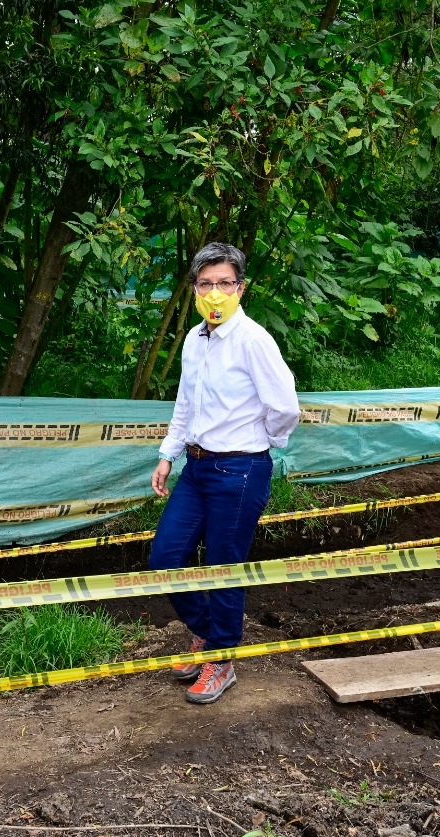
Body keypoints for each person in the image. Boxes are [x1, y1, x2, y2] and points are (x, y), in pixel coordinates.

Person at [149, 242, 300, 704]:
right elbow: (185, 403)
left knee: (222, 568)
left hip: (240, 469)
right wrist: (168, 454)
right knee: (165, 558)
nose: (215, 293)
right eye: (206, 284)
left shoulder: (254, 340)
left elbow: (285, 407)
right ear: (194, 289)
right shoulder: (195, 340)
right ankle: (205, 633)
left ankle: (221, 660)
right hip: (196, 467)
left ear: (240, 287)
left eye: (224, 283)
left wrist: (262, 443)